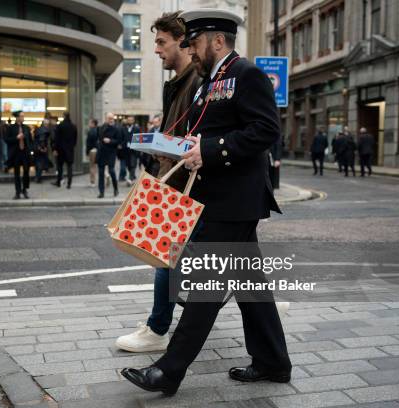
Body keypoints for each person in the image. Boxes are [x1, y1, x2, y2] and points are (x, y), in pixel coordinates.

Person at [121, 9, 291, 394]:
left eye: (194, 43)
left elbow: (266, 130)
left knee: (205, 287)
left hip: (235, 200)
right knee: (252, 288)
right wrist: (168, 144)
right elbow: (201, 133)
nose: (190, 50)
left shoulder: (246, 75)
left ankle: (169, 371)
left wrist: (212, 150)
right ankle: (274, 363)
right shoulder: (208, 82)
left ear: (217, 40)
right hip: (216, 197)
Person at [115, 10, 202, 353]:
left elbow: (194, 139)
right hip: (175, 182)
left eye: (161, 42)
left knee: (167, 256)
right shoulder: (178, 83)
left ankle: (157, 329)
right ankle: (261, 306)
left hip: (186, 185)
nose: (156, 49)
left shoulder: (196, 82)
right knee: (200, 259)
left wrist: (160, 144)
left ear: (183, 41)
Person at [5, 110, 32, 199]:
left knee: (26, 172)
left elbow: (30, 140)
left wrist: (30, 149)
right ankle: (17, 191)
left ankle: (25, 190)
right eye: (21, 116)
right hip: (16, 153)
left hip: (25, 152)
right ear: (17, 118)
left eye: (23, 116)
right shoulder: (11, 128)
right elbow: (6, 140)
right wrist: (16, 138)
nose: (23, 118)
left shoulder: (26, 128)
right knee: (16, 173)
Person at [97, 112, 121, 198]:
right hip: (101, 152)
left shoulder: (116, 129)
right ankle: (101, 192)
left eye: (112, 118)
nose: (111, 120)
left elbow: (118, 141)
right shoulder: (101, 127)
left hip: (111, 152)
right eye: (109, 118)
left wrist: (110, 141)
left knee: (111, 171)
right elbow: (99, 138)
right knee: (100, 172)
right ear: (106, 118)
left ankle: (115, 188)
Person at [52, 112, 77, 189]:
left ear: (64, 116)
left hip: (61, 149)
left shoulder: (60, 126)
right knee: (69, 166)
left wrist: (55, 149)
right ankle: (69, 183)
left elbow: (57, 139)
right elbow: (75, 139)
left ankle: (59, 182)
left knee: (60, 166)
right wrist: (72, 146)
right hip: (69, 149)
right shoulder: (73, 126)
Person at [120, 115, 140, 185]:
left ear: (133, 121)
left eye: (131, 120)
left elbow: (138, 139)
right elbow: (121, 138)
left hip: (133, 150)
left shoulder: (137, 128)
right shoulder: (123, 128)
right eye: (128, 120)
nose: (129, 121)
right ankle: (133, 176)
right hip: (126, 150)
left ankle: (130, 179)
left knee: (133, 164)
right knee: (128, 165)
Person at [34, 117, 51, 183]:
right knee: (40, 163)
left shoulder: (38, 129)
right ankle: (38, 177)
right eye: (47, 124)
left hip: (36, 148)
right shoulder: (44, 131)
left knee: (38, 163)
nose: (48, 125)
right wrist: (43, 148)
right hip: (40, 149)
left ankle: (38, 177)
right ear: (45, 124)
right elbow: (42, 140)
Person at [86, 118, 99, 187]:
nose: (89, 124)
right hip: (98, 150)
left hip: (92, 150)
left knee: (92, 166)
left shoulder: (90, 131)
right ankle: (106, 175)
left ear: (93, 124)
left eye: (90, 123)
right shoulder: (99, 130)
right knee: (100, 166)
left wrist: (87, 152)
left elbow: (88, 143)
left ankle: (92, 182)